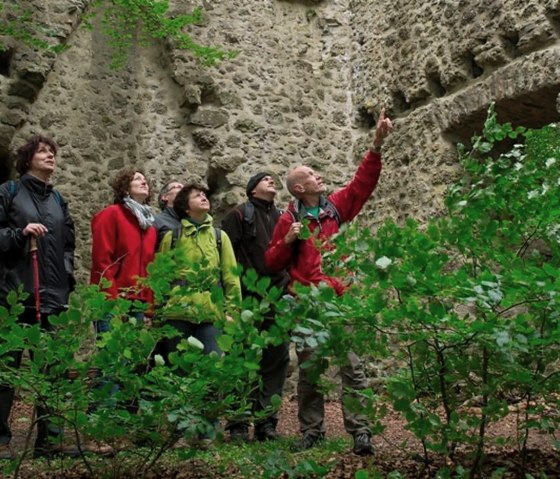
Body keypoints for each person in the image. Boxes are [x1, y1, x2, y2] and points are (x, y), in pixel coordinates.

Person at [265, 108, 393, 455]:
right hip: (307, 303)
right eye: (311, 174)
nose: (318, 176)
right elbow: (271, 261)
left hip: (341, 298)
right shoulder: (288, 218)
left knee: (352, 367)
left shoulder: (336, 207)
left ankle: (361, 432)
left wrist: (376, 144)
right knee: (310, 371)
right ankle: (312, 431)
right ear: (299, 187)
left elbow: (362, 185)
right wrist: (287, 241)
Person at [0, 135, 76, 459]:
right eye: (43, 151)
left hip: (52, 296)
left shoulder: (58, 200)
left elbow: (69, 244)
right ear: (27, 158)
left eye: (52, 153)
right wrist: (20, 234)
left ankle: (50, 441)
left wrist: (67, 277)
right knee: (6, 369)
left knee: (53, 370)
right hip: (15, 293)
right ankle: (1, 440)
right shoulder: (9, 192)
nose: (50, 156)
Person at [221, 173, 291, 442]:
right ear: (252, 189)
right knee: (241, 359)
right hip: (247, 298)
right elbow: (226, 258)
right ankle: (238, 422)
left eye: (273, 179)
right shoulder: (239, 215)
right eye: (265, 179)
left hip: (277, 296)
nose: (271, 181)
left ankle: (266, 423)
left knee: (277, 358)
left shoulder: (284, 217)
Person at [158, 183, 241, 359]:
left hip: (212, 315)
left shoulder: (220, 237)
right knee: (179, 370)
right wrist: (158, 310)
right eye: (197, 195)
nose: (204, 197)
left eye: (204, 194)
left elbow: (231, 277)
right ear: (186, 208)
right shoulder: (172, 237)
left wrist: (232, 312)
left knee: (214, 366)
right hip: (177, 314)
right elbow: (160, 277)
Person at [90, 168, 157, 325]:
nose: (144, 181)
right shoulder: (111, 214)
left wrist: (148, 308)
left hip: (138, 303)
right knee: (111, 349)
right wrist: (111, 299)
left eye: (145, 179)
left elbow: (150, 269)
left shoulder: (149, 228)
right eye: (137, 179)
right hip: (112, 299)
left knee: (134, 350)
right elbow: (102, 259)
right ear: (126, 188)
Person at [154, 179, 184, 248]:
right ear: (165, 197)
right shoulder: (156, 221)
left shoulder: (192, 221)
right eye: (178, 187)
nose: (183, 191)